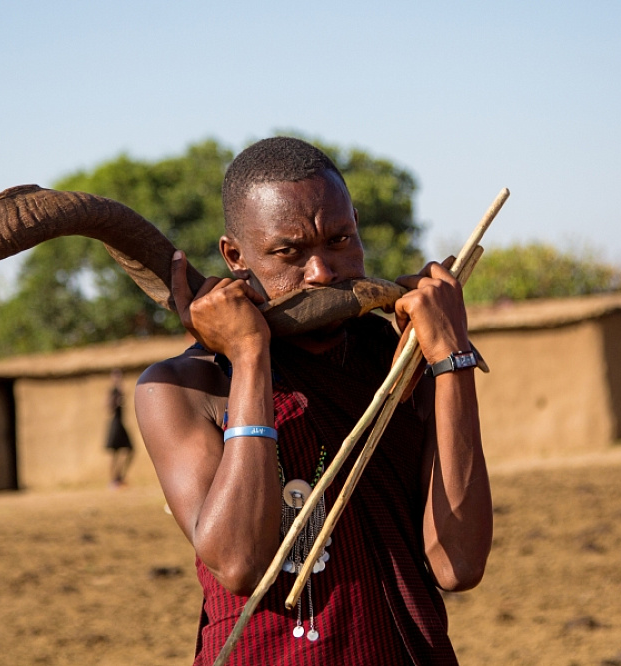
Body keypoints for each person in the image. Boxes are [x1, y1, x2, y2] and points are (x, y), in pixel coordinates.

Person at [135, 137, 491, 665]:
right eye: (289, 252)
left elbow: (457, 565)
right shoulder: (182, 387)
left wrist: (449, 358)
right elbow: (238, 563)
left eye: (341, 240)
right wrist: (251, 354)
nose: (323, 271)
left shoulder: (393, 356)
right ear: (235, 256)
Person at [105, 369, 134, 487]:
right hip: (115, 424)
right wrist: (116, 402)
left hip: (121, 423)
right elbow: (108, 407)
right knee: (114, 453)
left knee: (130, 450)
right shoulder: (112, 392)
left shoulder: (120, 392)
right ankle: (113, 480)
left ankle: (119, 476)